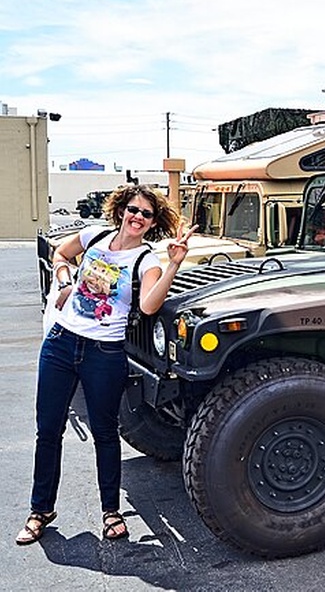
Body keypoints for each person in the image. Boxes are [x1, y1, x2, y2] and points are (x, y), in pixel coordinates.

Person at [16, 184, 197, 545]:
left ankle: (111, 512)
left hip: (104, 352)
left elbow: (148, 305)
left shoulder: (146, 260)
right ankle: (40, 510)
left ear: (153, 222)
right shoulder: (94, 235)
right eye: (133, 209)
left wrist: (174, 264)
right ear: (121, 210)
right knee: (48, 430)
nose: (137, 217)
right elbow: (60, 253)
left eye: (146, 214)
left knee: (104, 433)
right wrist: (65, 282)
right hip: (61, 342)